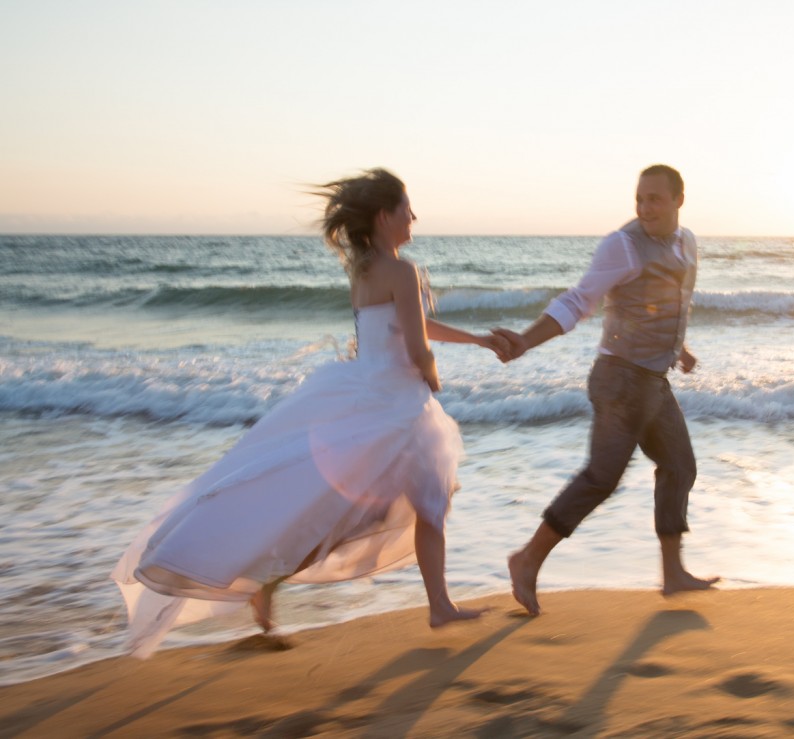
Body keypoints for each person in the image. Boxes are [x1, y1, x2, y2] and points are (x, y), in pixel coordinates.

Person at [111, 168, 504, 656]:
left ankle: (272, 582)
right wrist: (432, 376)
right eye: (406, 209)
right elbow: (417, 344)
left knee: (360, 512)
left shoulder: (364, 271)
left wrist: (478, 339)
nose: (414, 217)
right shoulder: (401, 271)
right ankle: (437, 605)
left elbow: (409, 325)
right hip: (397, 405)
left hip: (368, 395)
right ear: (384, 216)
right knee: (417, 507)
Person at [496, 164, 719, 616]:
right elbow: (578, 300)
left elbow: (665, 302)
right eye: (639, 198)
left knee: (679, 466)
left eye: (655, 199)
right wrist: (525, 340)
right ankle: (527, 559)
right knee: (602, 477)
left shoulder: (687, 242)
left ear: (679, 200)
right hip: (619, 380)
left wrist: (678, 348)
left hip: (652, 379)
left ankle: (673, 574)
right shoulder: (622, 245)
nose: (645, 208)